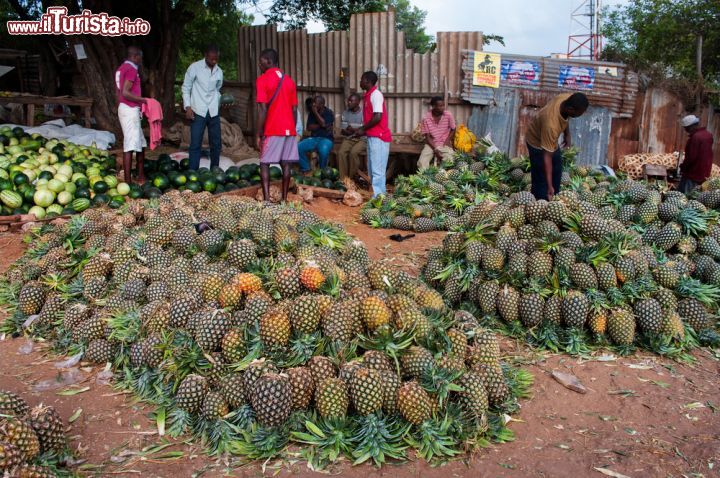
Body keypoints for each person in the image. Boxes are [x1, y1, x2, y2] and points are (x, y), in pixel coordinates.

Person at [526, 92, 589, 200]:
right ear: (570, 109)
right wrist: (549, 186)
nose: (581, 115)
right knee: (541, 181)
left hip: (550, 141)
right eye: (579, 113)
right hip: (537, 144)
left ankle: (554, 196)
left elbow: (565, 117)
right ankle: (540, 199)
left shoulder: (565, 98)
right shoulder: (551, 125)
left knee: (557, 168)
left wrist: (567, 134)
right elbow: (547, 157)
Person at [255, 48, 299, 202]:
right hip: (290, 129)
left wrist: (258, 133)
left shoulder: (262, 80)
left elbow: (262, 109)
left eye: (261, 62)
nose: (259, 66)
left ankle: (267, 200)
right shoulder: (289, 80)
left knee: (264, 163)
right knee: (286, 164)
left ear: (268, 61)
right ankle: (284, 200)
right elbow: (294, 109)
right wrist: (292, 129)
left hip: (273, 128)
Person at [182, 44, 224, 170]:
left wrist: (218, 101)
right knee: (195, 144)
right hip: (198, 110)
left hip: (213, 111)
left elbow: (218, 89)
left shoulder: (219, 71)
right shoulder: (194, 67)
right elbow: (186, 88)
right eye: (211, 59)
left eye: (216, 59)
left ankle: (214, 171)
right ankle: (193, 172)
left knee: (216, 144)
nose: (214, 61)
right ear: (206, 56)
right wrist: (188, 107)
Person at [356, 71, 391, 197]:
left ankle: (379, 198)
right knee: (373, 170)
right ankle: (379, 196)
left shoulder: (376, 95)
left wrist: (363, 129)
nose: (360, 82)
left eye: (361, 79)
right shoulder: (368, 95)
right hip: (373, 137)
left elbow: (377, 117)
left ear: (366, 80)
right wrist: (362, 130)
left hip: (379, 137)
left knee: (377, 171)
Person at [115, 46, 147, 184]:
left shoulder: (122, 68)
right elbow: (126, 92)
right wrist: (144, 100)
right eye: (140, 57)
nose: (141, 60)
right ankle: (128, 182)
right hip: (129, 109)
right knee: (129, 145)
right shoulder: (132, 69)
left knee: (140, 142)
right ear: (135, 56)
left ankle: (140, 176)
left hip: (127, 109)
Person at [297, 96, 335, 173]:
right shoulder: (312, 113)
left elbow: (323, 124)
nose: (313, 105)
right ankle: (306, 169)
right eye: (313, 103)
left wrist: (316, 113)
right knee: (298, 148)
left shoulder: (329, 112)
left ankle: (322, 171)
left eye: (315, 103)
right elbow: (309, 127)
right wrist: (320, 125)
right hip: (314, 138)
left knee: (323, 151)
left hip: (326, 139)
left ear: (322, 104)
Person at [678, 114, 714, 194]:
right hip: (705, 172)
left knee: (686, 196)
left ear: (691, 127)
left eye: (686, 128)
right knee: (698, 196)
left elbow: (691, 157)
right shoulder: (708, 135)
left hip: (693, 173)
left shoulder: (695, 137)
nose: (685, 130)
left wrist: (683, 167)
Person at [418, 96, 456, 170]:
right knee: (421, 162)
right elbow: (428, 137)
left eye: (443, 105)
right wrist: (435, 150)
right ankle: (426, 179)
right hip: (431, 144)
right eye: (440, 106)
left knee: (450, 160)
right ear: (433, 106)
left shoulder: (448, 115)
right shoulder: (426, 118)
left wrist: (447, 141)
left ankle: (441, 177)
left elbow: (453, 129)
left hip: (444, 142)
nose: (443, 107)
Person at [337, 93, 366, 180]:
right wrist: (357, 131)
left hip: (362, 140)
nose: (348, 103)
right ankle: (344, 179)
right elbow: (343, 131)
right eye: (348, 101)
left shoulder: (364, 114)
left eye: (351, 101)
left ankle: (352, 178)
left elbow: (364, 132)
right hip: (349, 138)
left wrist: (352, 130)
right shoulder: (345, 113)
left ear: (358, 102)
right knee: (341, 153)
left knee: (353, 153)